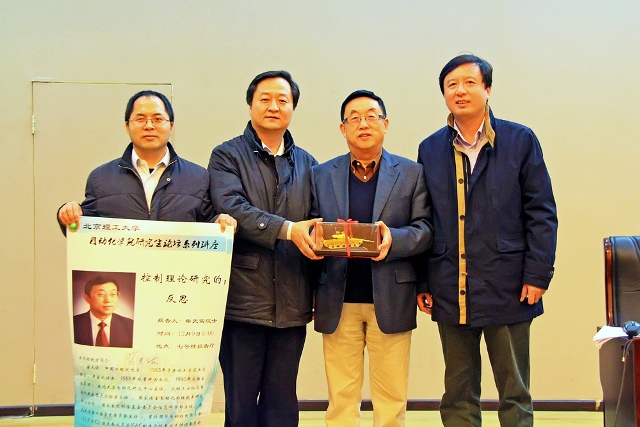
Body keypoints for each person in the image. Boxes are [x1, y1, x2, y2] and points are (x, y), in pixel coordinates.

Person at [417, 54, 558, 427]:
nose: (460, 91)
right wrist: (423, 280)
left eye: (469, 82)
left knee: (514, 391)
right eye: (451, 85)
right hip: (451, 285)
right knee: (458, 392)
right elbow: (424, 220)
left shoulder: (520, 140)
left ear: (488, 89)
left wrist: (538, 274)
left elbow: (541, 212)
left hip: (508, 284)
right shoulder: (430, 149)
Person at [311, 90, 433, 427]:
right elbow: (310, 226)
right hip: (338, 298)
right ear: (343, 128)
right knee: (341, 399)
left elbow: (425, 229)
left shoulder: (411, 173)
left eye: (371, 116)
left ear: (385, 124)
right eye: (354, 118)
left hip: (392, 298)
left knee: (391, 400)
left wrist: (395, 238)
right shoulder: (321, 174)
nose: (363, 124)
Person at [207, 70, 320, 427]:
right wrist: (288, 230)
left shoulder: (309, 164)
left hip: (292, 302)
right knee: (240, 404)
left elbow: (316, 225)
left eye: (282, 100)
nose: (274, 106)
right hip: (242, 304)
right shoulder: (226, 155)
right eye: (265, 99)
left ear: (293, 108)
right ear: (250, 105)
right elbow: (232, 207)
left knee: (282, 402)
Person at [57, 90, 235, 232]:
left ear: (171, 126)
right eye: (140, 119)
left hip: (174, 267)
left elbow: (207, 225)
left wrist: (221, 223)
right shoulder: (101, 178)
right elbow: (82, 229)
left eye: (158, 119)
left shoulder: (197, 177)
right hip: (121, 268)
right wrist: (69, 214)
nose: (149, 126)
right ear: (127, 126)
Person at [73, 275, 134, 348]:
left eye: (112, 294)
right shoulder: (74, 323)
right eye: (101, 294)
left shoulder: (130, 326)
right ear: (87, 298)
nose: (108, 300)